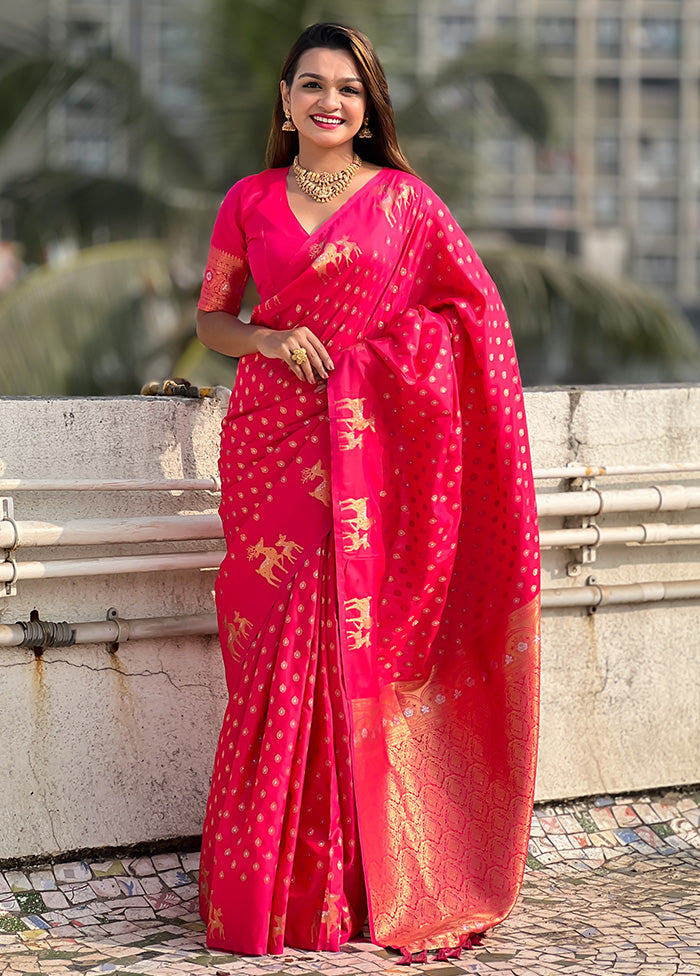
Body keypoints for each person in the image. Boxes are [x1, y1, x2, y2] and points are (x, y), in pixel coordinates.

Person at [195, 21, 540, 962]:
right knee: (271, 665)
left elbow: (473, 316)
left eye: (347, 88)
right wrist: (266, 341)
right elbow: (214, 318)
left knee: (343, 652)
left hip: (366, 449)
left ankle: (346, 887)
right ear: (283, 99)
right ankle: (269, 892)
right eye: (311, 85)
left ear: (368, 104)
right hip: (269, 444)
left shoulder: (405, 204)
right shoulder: (248, 200)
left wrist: (378, 370)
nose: (328, 102)